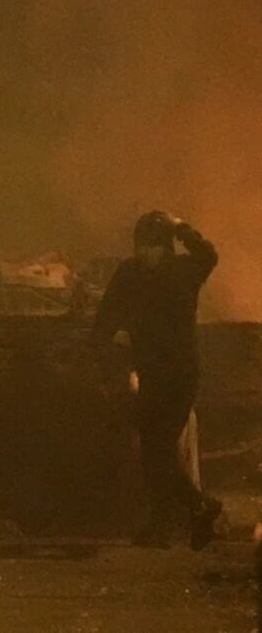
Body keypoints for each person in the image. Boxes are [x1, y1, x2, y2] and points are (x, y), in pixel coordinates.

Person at [93, 211, 223, 550]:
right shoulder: (130, 273)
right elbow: (106, 313)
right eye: (140, 246)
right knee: (154, 452)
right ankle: (185, 516)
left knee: (159, 449)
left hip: (179, 374)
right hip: (151, 373)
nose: (143, 253)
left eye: (151, 246)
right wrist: (109, 337)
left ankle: (191, 510)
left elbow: (209, 255)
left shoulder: (183, 271)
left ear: (165, 247)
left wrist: (183, 228)